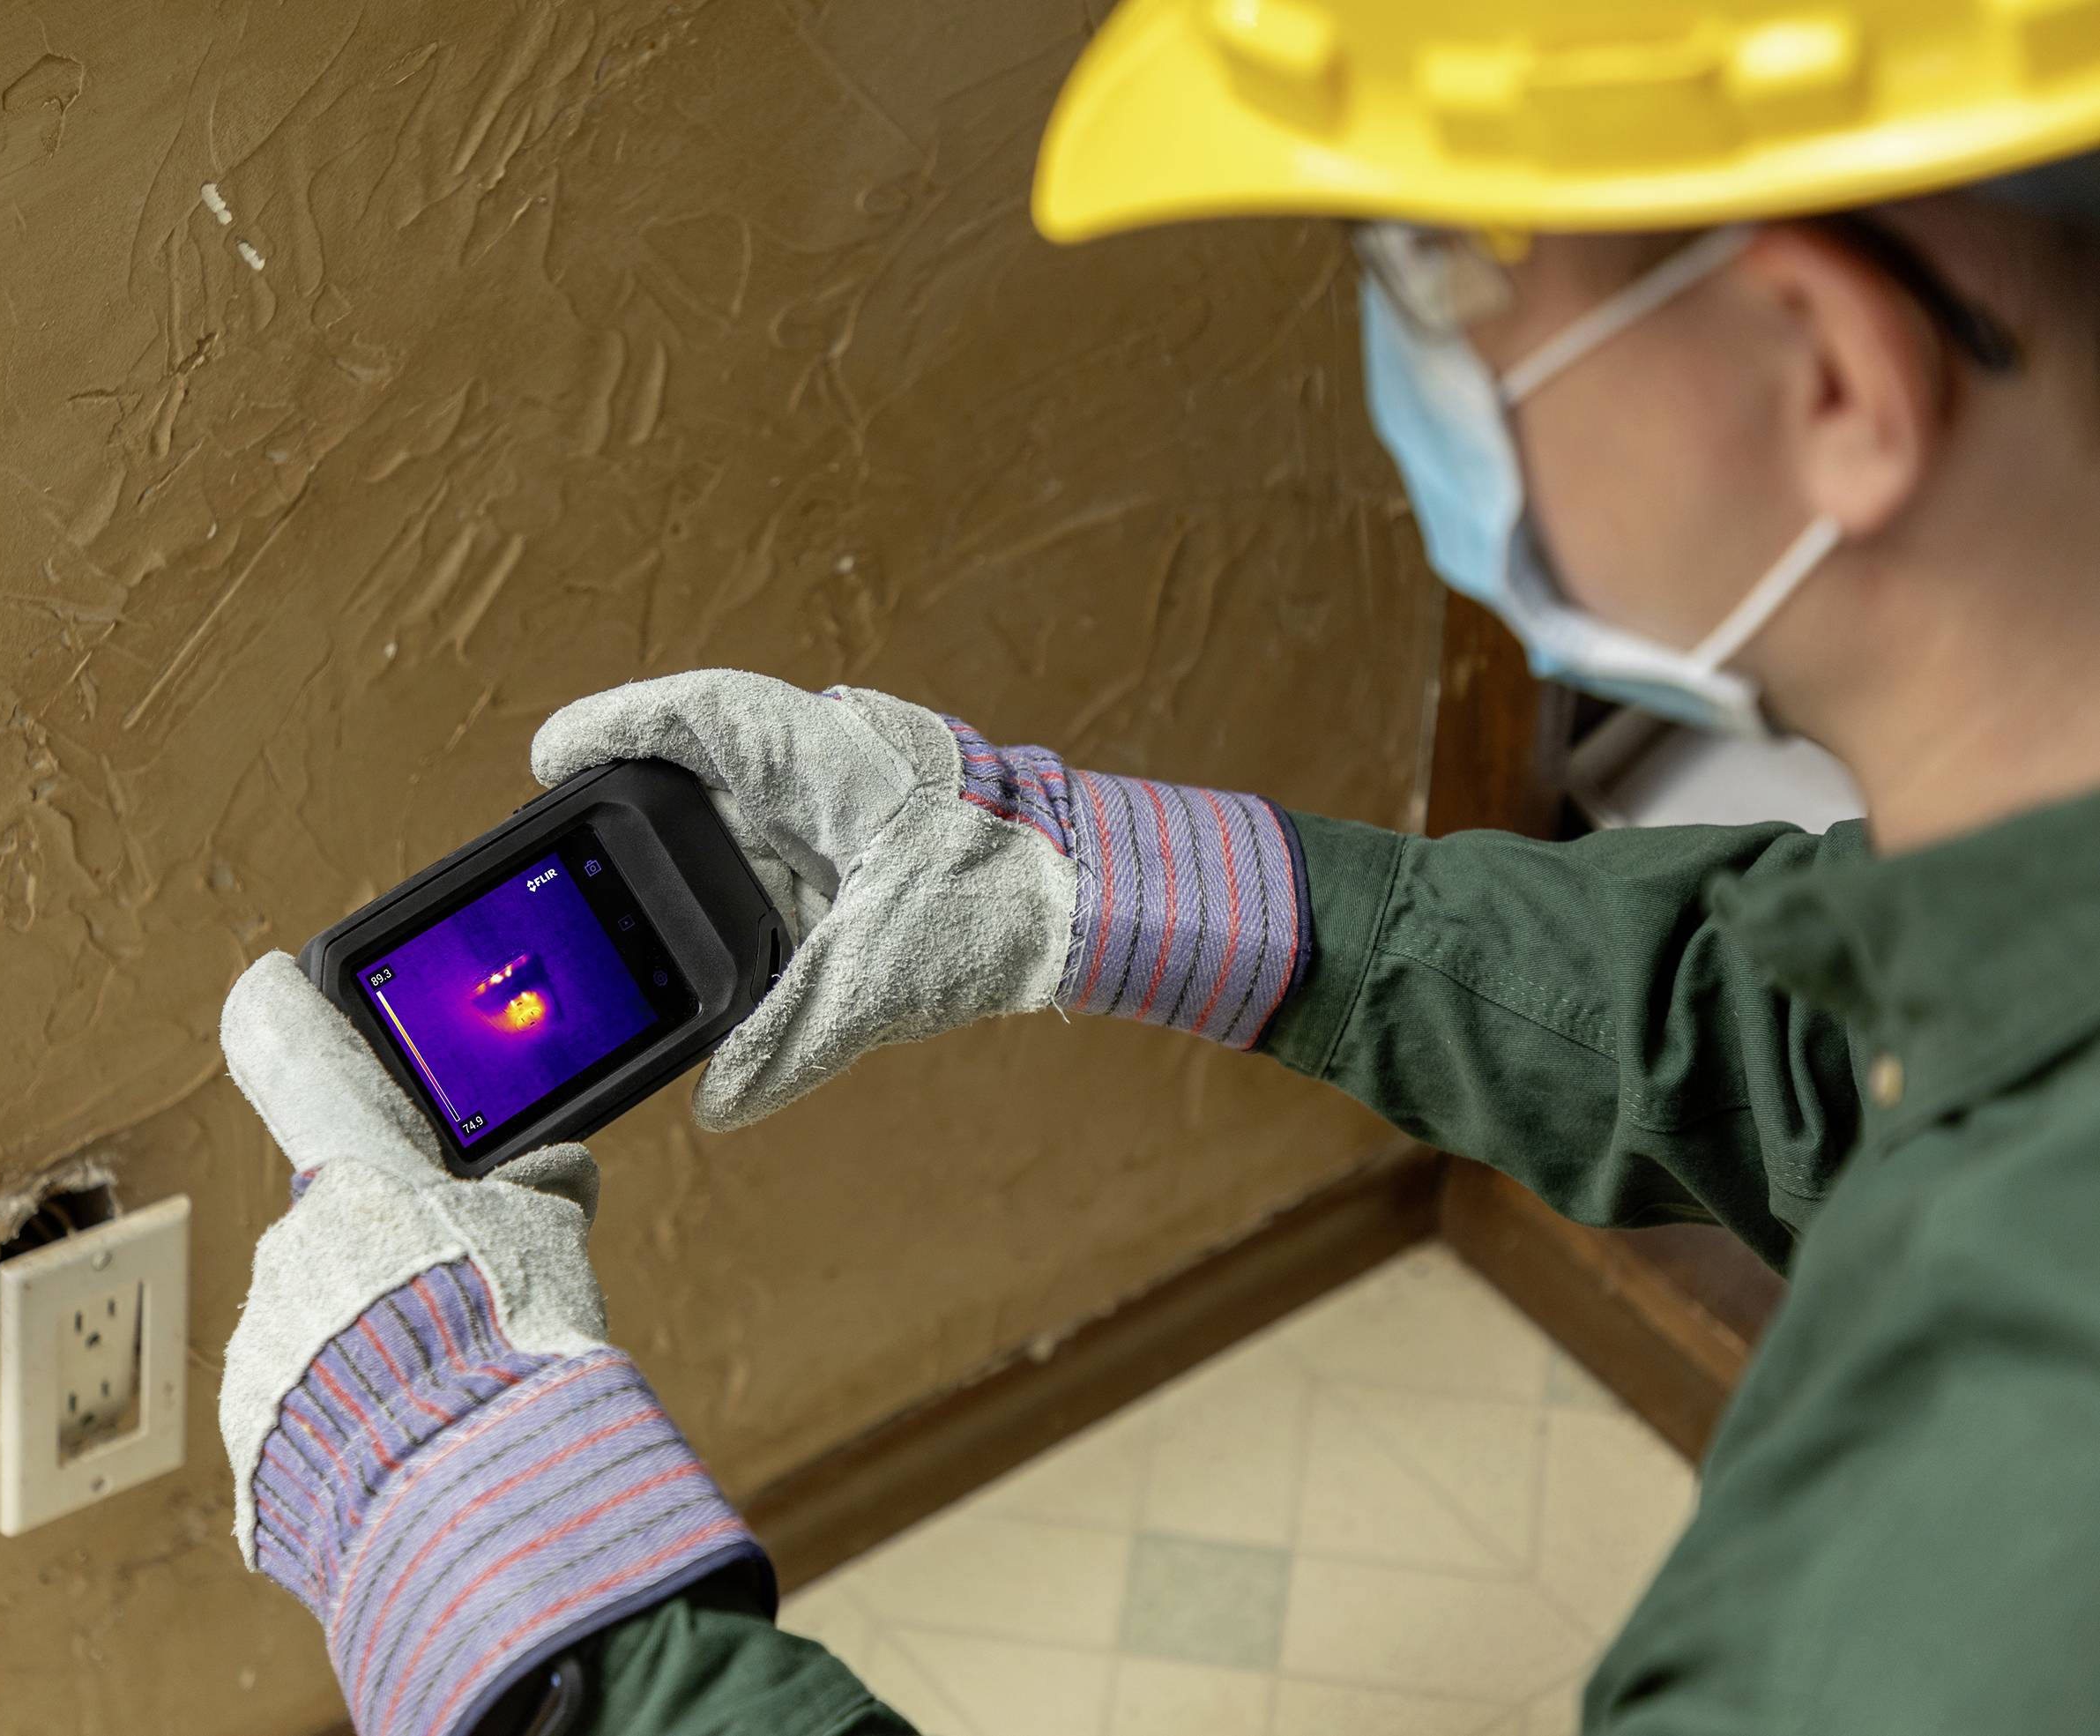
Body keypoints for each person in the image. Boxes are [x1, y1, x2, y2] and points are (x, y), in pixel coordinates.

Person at [214, 1, 2100, 1729]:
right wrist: (1095, 876)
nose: (1399, 347)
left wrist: (475, 1539)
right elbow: (1815, 1046)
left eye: (1434, 263)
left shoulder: (1968, 1538)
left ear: (1829, 374)